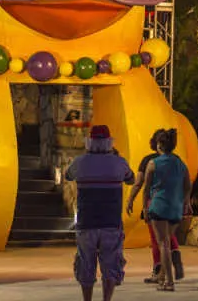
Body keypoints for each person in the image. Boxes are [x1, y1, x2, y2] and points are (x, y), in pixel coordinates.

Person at [65, 124, 134, 301]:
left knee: (86, 265)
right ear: (109, 142)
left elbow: (67, 175)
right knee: (110, 267)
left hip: (86, 223)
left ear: (90, 142)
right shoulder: (119, 162)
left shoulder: (80, 162)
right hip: (111, 223)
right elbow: (131, 178)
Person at [126, 129, 184, 284]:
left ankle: (159, 271)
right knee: (169, 235)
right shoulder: (176, 160)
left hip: (156, 203)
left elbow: (140, 184)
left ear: (156, 143)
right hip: (174, 202)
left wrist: (131, 199)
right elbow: (185, 183)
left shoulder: (149, 161)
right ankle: (176, 258)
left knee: (157, 240)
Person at [144, 129, 191, 293]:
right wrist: (186, 202)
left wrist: (145, 207)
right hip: (176, 208)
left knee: (163, 244)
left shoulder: (153, 163)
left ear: (160, 145)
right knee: (168, 240)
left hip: (159, 206)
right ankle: (163, 276)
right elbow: (188, 186)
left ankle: (169, 282)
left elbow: (146, 188)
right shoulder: (181, 164)